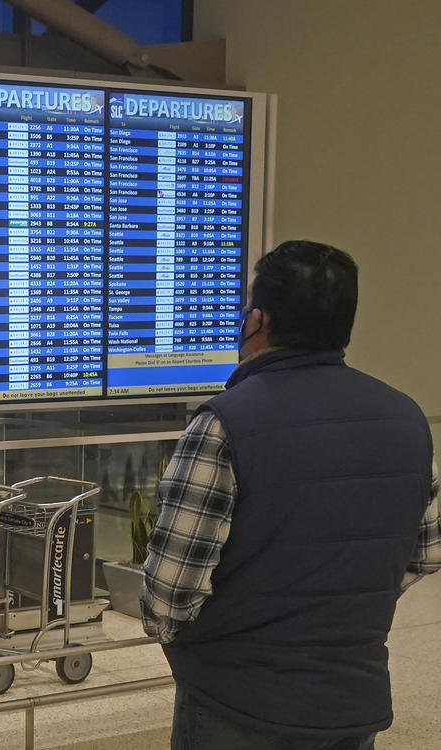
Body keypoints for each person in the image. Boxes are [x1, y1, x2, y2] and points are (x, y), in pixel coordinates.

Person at [140, 240, 441, 750]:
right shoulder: (407, 418)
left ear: (256, 321)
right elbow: (427, 554)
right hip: (352, 698)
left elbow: (168, 598)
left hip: (236, 701)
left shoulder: (223, 424)